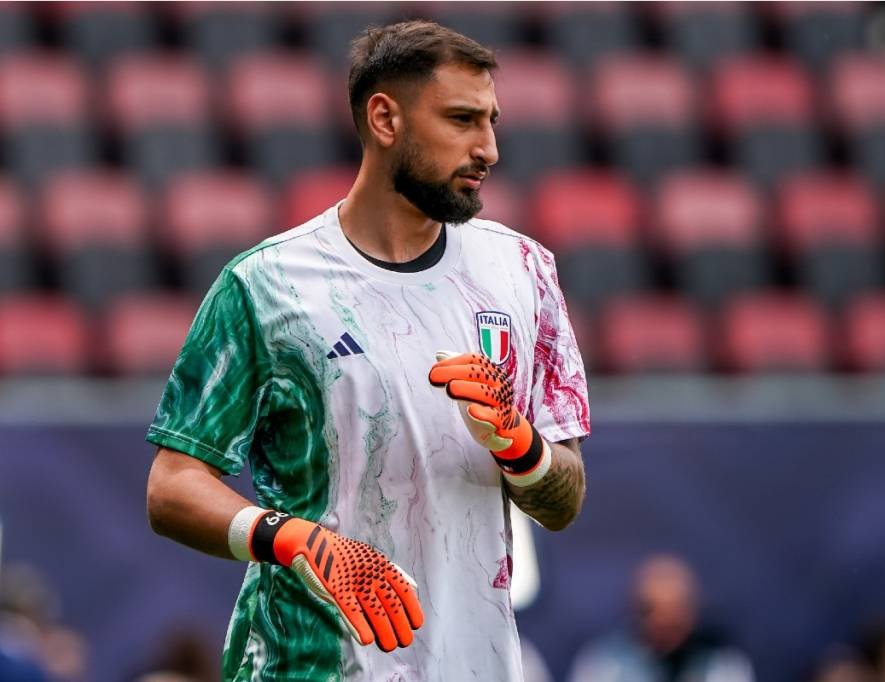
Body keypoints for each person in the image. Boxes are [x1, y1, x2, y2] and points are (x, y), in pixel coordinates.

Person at [144, 19, 590, 682]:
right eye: (463, 119)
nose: (489, 148)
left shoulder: (524, 272)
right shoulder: (265, 285)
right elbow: (171, 487)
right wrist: (291, 539)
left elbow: (565, 499)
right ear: (385, 118)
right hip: (305, 665)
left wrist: (519, 444)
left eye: (492, 120)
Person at [568, 555, 753, 682]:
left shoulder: (722, 665)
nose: (662, 621)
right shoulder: (603, 663)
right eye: (649, 610)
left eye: (674, 611)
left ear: (692, 612)